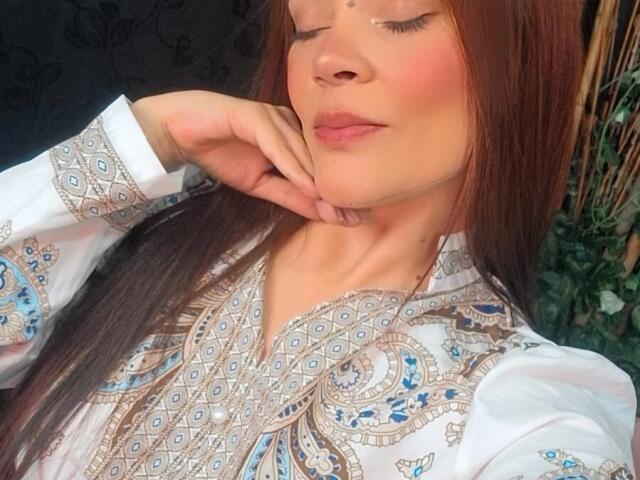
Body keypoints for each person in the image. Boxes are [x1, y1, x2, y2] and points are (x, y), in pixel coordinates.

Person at [0, 0, 637, 478]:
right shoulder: (150, 227)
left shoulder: (520, 401)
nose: (328, 60)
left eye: (400, 17)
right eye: (307, 26)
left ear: (517, 52)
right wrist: (150, 139)